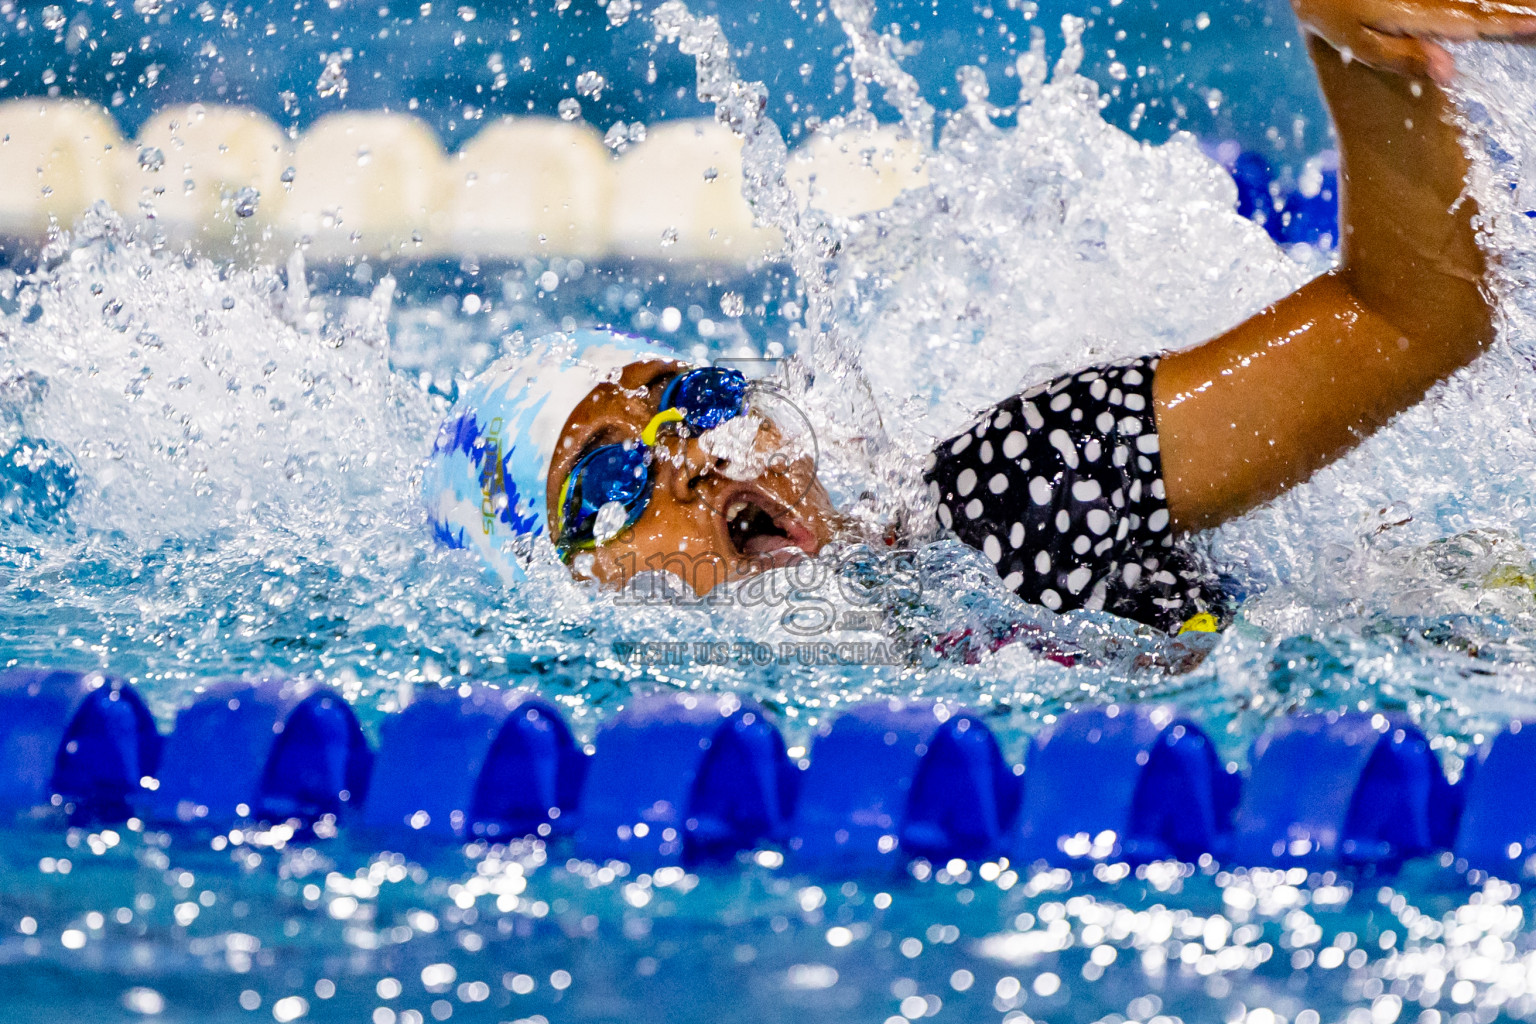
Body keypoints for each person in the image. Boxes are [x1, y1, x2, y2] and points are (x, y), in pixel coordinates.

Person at [426, 0, 1536, 634]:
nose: (688, 459)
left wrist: (1354, 47)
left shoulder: (1003, 501)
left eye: (696, 399)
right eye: (608, 482)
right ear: (557, 590)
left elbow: (1410, 319)